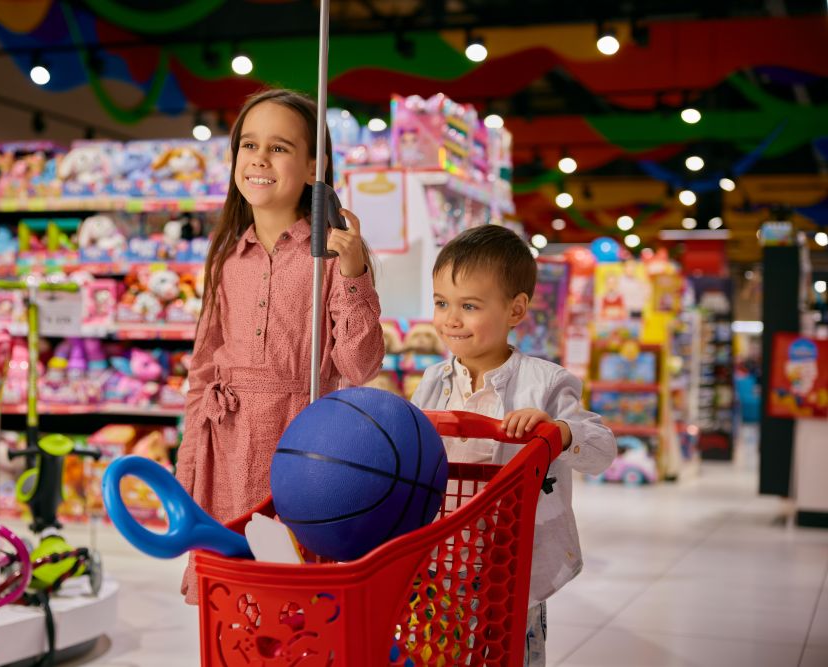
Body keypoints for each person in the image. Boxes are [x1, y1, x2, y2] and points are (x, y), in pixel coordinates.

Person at [175, 89, 385, 603]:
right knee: (231, 584)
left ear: (316, 165)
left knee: (294, 581)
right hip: (224, 439)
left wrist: (354, 271)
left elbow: (360, 366)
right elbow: (203, 365)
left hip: (300, 439)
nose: (259, 160)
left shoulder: (335, 254)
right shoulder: (226, 254)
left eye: (280, 147)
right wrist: (187, 461)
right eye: (249, 145)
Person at [411, 224, 617, 666]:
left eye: (469, 306)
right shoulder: (432, 383)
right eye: (442, 303)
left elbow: (601, 448)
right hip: (439, 557)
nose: (451, 319)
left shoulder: (545, 381)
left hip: (512, 557)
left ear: (516, 309)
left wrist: (558, 431)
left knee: (508, 650)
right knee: (438, 651)